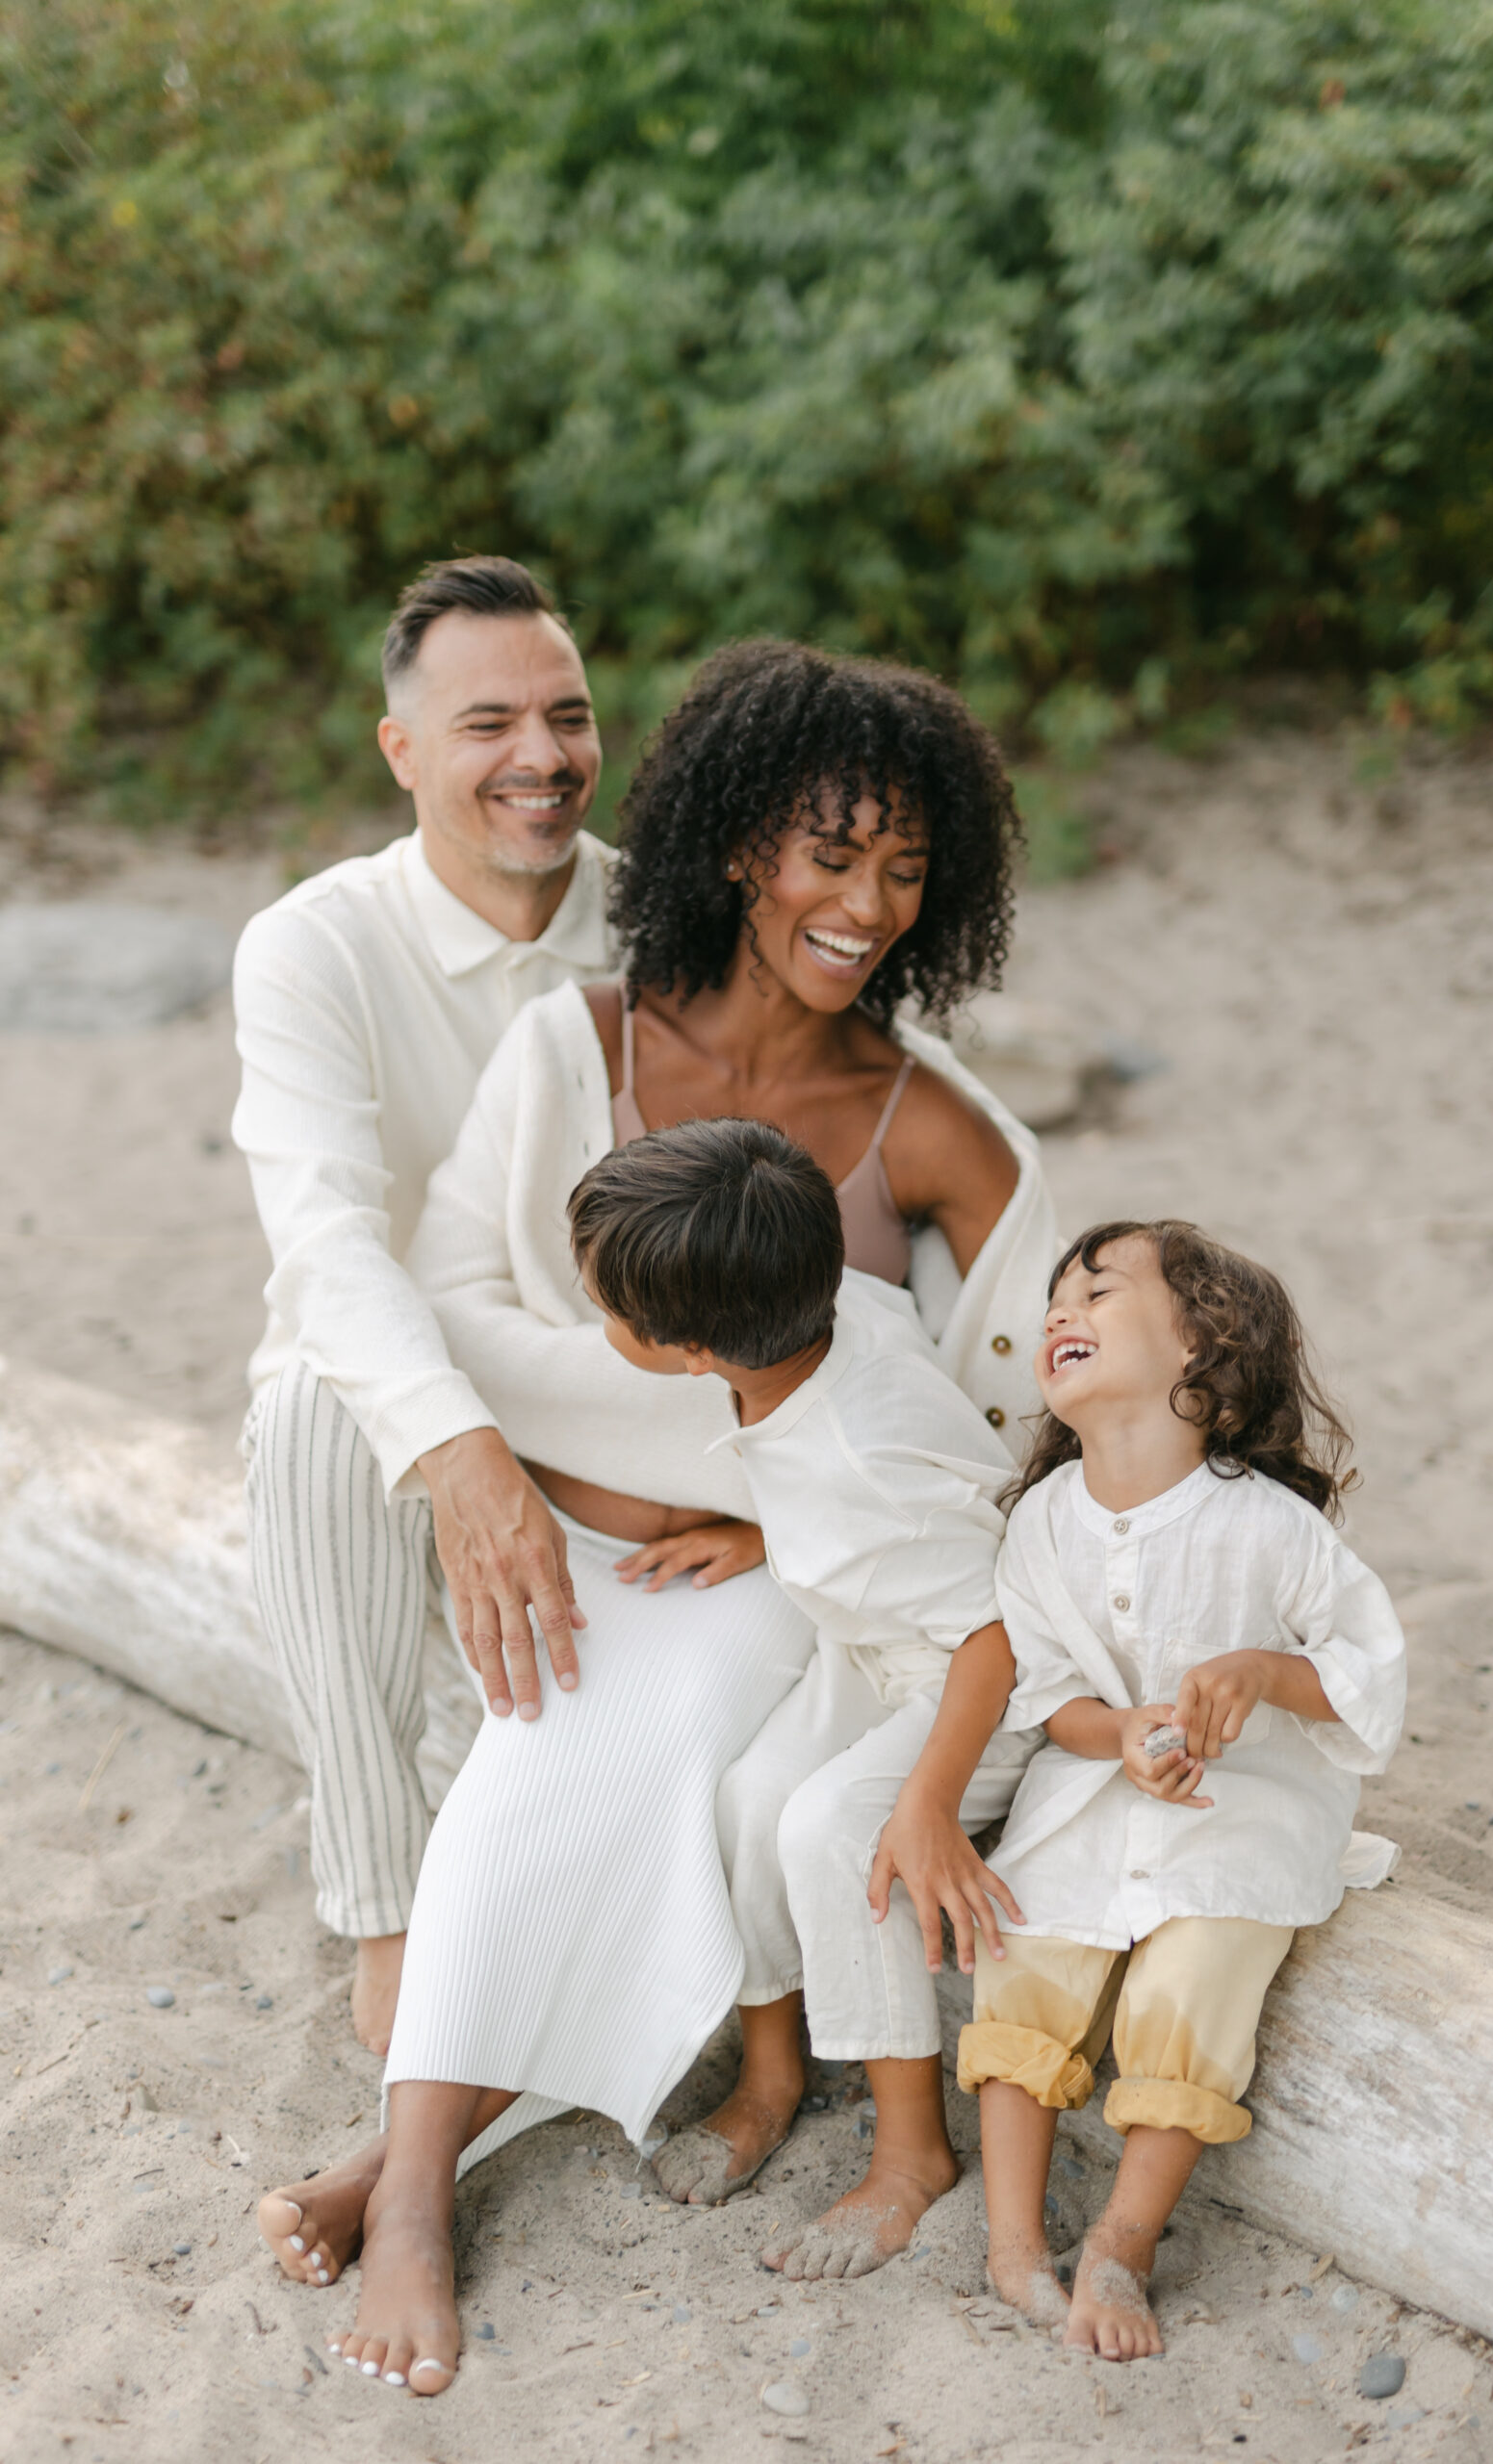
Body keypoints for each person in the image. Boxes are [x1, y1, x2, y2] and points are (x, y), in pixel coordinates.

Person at [254, 640, 1060, 2396]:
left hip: (781, 1581)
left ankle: (406, 2174)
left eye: (905, 869)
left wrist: (775, 1523)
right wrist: (675, 1445)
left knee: (619, 1776)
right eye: (828, 854)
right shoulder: (582, 1043)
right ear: (732, 848)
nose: (864, 904)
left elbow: (1007, 1443)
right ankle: (417, 2168)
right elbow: (450, 1309)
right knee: (534, 1771)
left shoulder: (942, 1133)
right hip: (549, 1531)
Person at [233, 555, 616, 2053]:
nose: (540, 755)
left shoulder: (662, 929)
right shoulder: (313, 944)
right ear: (400, 751)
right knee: (316, 1399)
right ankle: (385, 1912)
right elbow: (324, 1245)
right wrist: (462, 1457)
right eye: (488, 724)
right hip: (396, 1387)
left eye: (568, 716)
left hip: (606, 1385)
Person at [566, 1121, 1038, 2274]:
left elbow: (996, 1635)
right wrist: (766, 1524)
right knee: (747, 1800)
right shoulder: (835, 1314)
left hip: (981, 1684)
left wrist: (926, 1802)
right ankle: (774, 2072)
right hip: (882, 1636)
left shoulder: (859, 1470)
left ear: (687, 1351)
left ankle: (911, 2153)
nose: (597, 1319)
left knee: (833, 1828)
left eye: (608, 1311)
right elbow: (845, 1473)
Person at [955, 1219, 1406, 2359]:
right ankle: (1013, 2242)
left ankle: (1123, 2236)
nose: (1063, 1312)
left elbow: (1366, 1674)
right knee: (1023, 1949)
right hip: (1099, 1789)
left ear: (1202, 1344)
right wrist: (1122, 1732)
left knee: (1197, 1977)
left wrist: (1259, 1672)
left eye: (1099, 1292)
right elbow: (1051, 1696)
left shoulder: (1268, 1524)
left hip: (1242, 1805)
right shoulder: (1043, 1526)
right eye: (1057, 1298)